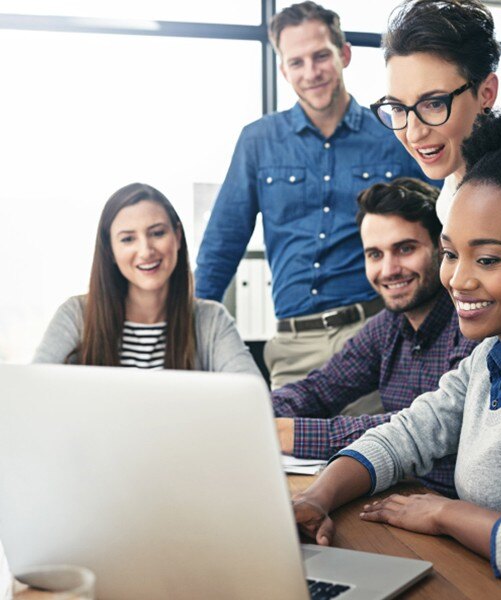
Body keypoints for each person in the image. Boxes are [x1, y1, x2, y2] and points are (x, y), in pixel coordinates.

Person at [292, 107, 501, 600]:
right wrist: (316, 498)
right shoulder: (490, 356)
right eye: (452, 253)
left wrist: (445, 512)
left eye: (488, 259)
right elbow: (404, 435)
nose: (457, 279)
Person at [195, 1, 435, 395]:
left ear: (344, 54)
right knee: (282, 450)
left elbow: (440, 227)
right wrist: (192, 340)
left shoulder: (394, 133)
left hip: (376, 336)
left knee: (369, 453)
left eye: (321, 56)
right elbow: (221, 246)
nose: (311, 72)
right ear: (283, 69)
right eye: (297, 62)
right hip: (293, 348)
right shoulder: (258, 142)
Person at [273, 177, 477, 496]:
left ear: (442, 247)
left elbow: (425, 427)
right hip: (400, 497)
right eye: (375, 255)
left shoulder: (471, 320)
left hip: (454, 508)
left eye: (405, 249)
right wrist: (256, 415)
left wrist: (291, 433)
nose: (389, 270)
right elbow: (320, 389)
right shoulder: (387, 326)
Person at [34, 183, 260, 375]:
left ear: (177, 236)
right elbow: (32, 395)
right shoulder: (76, 315)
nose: (145, 250)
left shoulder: (211, 320)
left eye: (157, 233)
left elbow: (254, 403)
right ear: (110, 251)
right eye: (128, 239)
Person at [370, 0, 500, 225]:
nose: (413, 134)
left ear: (486, 94)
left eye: (434, 104)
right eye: (398, 108)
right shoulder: (448, 200)